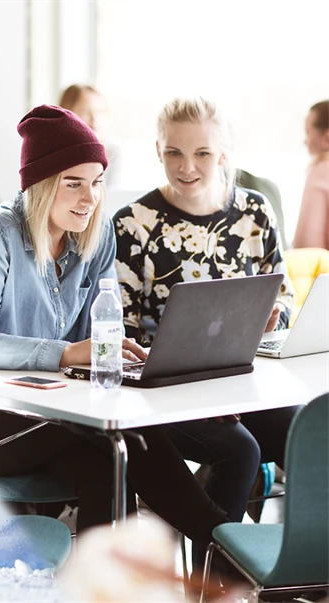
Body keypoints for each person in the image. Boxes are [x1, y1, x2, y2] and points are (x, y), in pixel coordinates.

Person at [0, 104, 230, 548]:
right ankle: (222, 543)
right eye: (73, 185)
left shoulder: (95, 232)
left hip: (52, 410)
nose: (89, 199)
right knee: (125, 441)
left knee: (114, 462)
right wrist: (66, 353)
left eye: (96, 183)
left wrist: (123, 359)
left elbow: (102, 334)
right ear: (40, 185)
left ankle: (110, 587)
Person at [112, 96, 299, 566]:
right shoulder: (134, 225)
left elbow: (285, 294)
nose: (187, 166)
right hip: (165, 392)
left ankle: (299, 566)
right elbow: (122, 332)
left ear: (224, 153)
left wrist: (274, 314)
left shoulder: (255, 212)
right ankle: (216, 585)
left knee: (310, 432)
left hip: (245, 382)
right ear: (158, 151)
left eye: (202, 153)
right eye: (173, 152)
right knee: (240, 451)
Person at [58, 84, 121, 187]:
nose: (94, 119)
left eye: (100, 112)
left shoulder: (112, 153)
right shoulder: (55, 155)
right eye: (85, 112)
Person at [293, 99, 329, 249]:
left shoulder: (321, 171)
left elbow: (307, 246)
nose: (305, 142)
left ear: (327, 138)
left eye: (308, 133)